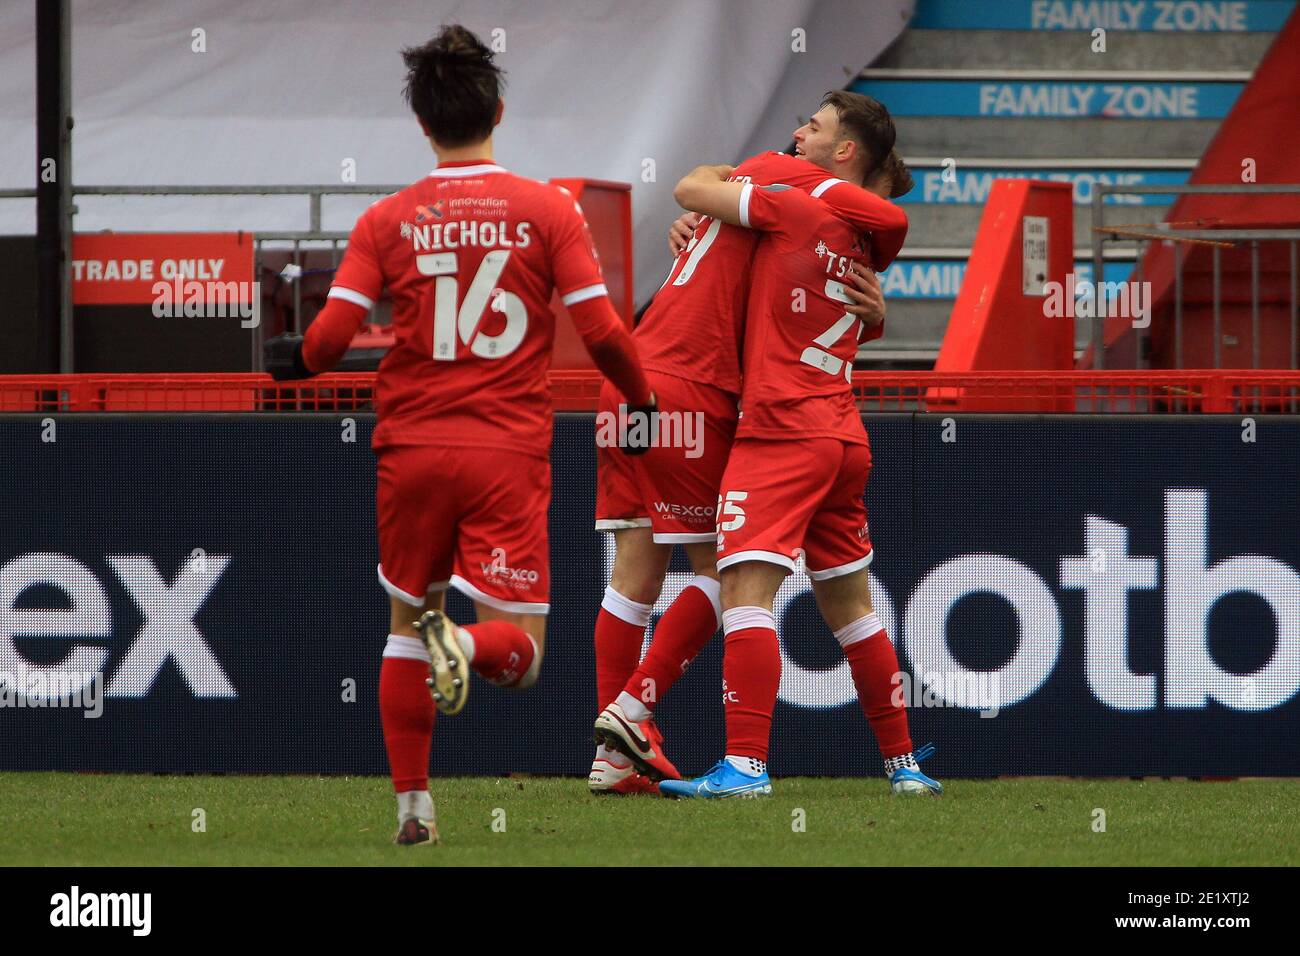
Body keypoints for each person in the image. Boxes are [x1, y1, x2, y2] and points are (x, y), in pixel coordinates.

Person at [265, 25, 654, 842]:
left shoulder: (387, 219)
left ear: (422, 124)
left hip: (408, 449)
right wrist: (641, 396)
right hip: (504, 451)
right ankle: (465, 647)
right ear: (499, 112)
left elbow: (331, 341)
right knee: (525, 656)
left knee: (405, 625)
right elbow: (606, 330)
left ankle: (414, 809)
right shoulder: (548, 210)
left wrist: (293, 362)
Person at [591, 94, 918, 795]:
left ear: (843, 157)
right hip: (709, 391)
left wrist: (707, 205)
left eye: (814, 127)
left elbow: (697, 190)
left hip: (630, 380)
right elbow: (867, 232)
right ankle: (636, 714)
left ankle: (617, 753)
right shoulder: (791, 201)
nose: (799, 134)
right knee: (728, 575)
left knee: (633, 573)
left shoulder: (767, 199)